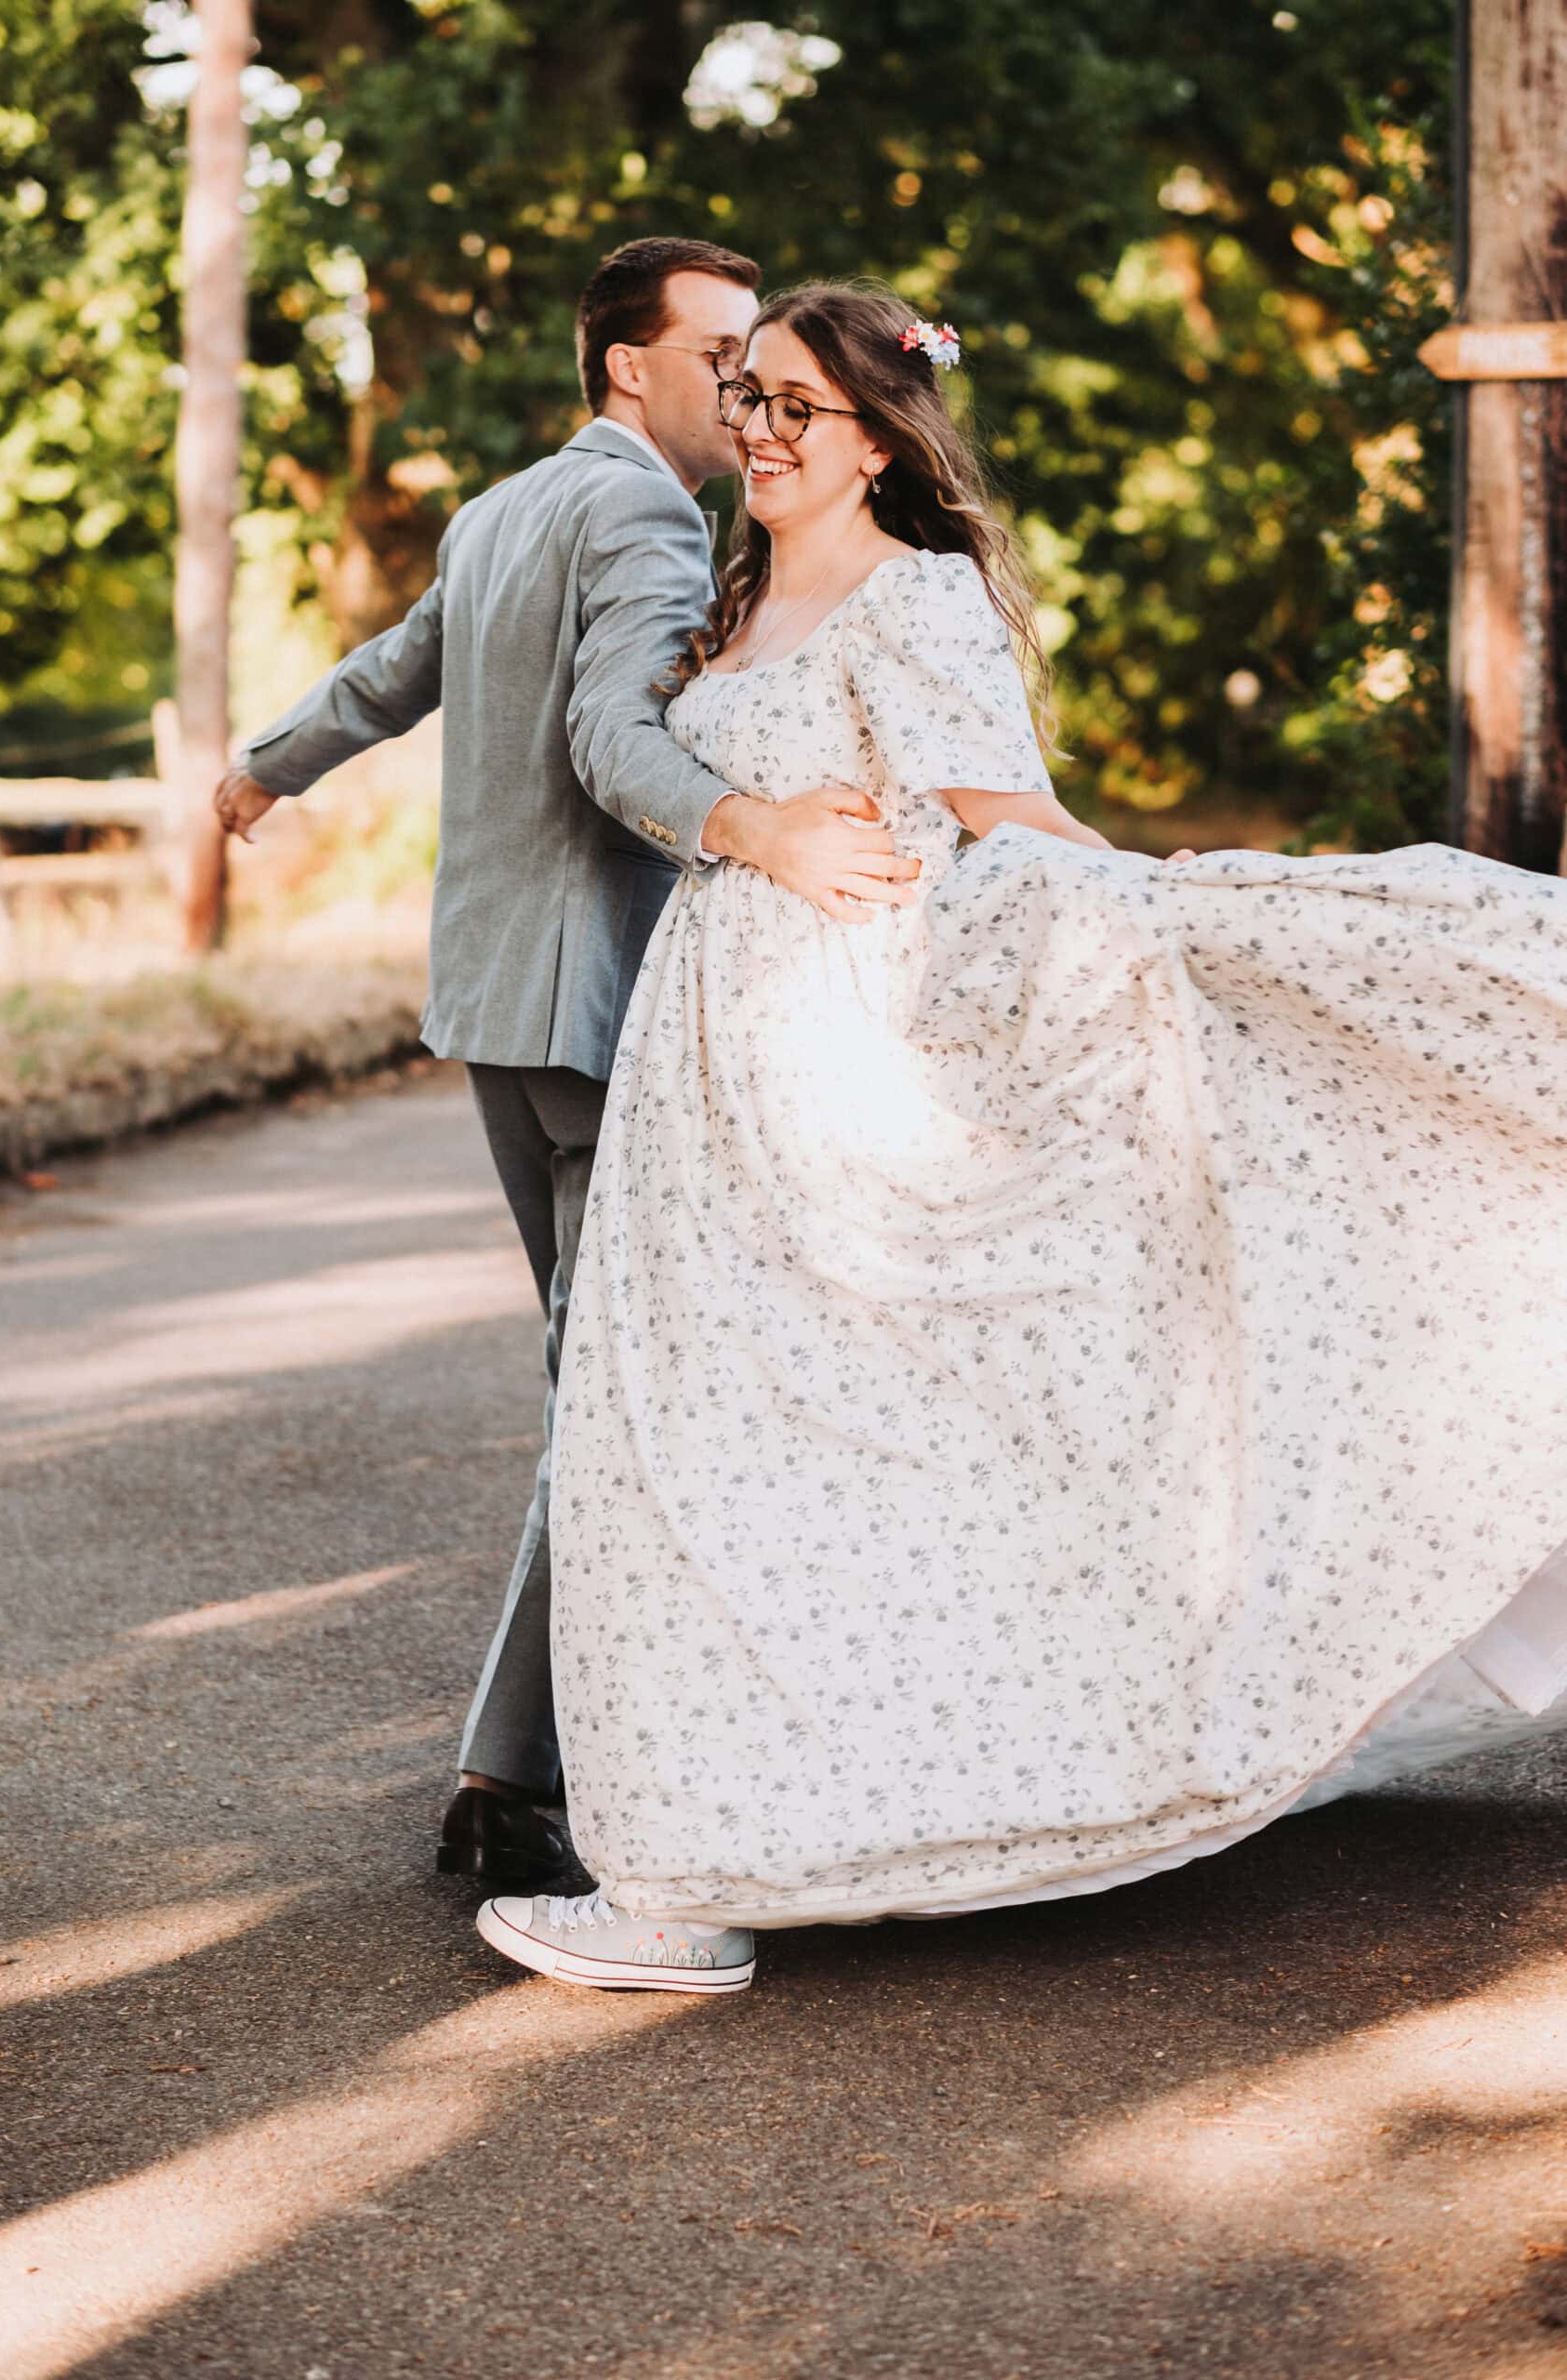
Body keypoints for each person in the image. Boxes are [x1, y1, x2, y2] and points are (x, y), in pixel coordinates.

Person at [474, 280, 1567, 1998]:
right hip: (719, 1067)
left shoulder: (919, 603)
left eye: (793, 411)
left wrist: (1181, 909)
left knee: (803, 1447)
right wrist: (755, 832)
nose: (753, 432)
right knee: (690, 1453)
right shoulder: (743, 586)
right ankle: (704, 1855)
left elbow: (1007, 828)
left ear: (879, 438)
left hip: (845, 1051)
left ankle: (709, 1871)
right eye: (743, 396)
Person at [212, 240, 924, 1897]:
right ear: (628, 366)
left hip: (490, 1006)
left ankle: (531, 1756)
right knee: (623, 1398)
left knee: (597, 1387)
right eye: (727, 353)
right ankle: (515, 1773)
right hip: (600, 1009)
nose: (750, 387)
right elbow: (617, 742)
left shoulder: (500, 508)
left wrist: (266, 773)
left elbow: (391, 674)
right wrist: (749, 826)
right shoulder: (645, 515)